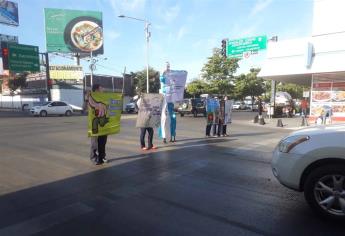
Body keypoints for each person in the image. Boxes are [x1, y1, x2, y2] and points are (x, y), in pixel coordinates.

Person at [88, 84, 108, 165]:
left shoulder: (105, 97)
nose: (103, 89)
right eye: (101, 88)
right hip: (95, 124)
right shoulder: (90, 97)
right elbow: (88, 105)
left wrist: (120, 97)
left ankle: (102, 157)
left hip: (103, 123)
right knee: (94, 143)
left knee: (102, 142)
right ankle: (93, 157)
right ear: (96, 90)